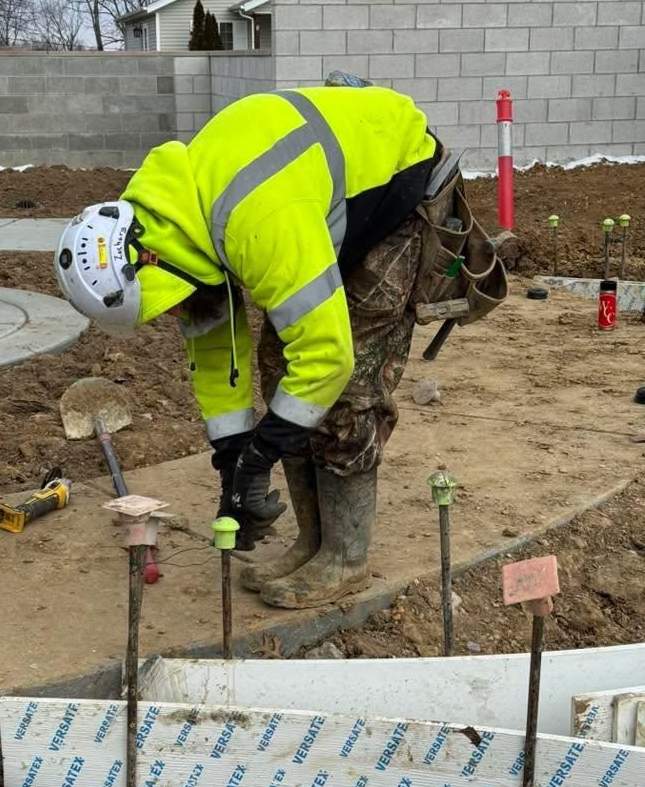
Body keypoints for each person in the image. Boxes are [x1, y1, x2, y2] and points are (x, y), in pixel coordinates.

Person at [55, 85, 506, 609]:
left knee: (349, 386)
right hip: (317, 204)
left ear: (150, 262)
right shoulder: (173, 223)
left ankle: (345, 557)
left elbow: (327, 355)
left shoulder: (254, 218)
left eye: (163, 306)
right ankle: (312, 543)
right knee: (280, 369)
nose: (172, 316)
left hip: (399, 187)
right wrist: (233, 458)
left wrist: (264, 453)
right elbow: (216, 348)